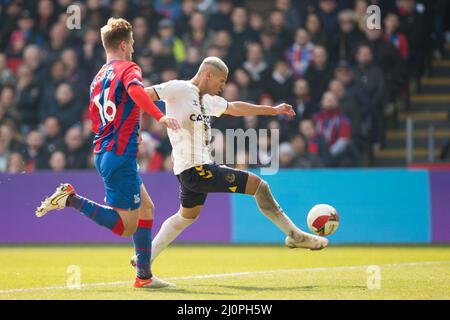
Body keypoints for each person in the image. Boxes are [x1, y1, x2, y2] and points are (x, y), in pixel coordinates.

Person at [134, 56, 328, 267]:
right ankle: (295, 235)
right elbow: (141, 95)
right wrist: (135, 128)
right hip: (195, 169)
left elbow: (235, 107)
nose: (223, 86)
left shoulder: (207, 100)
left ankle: (145, 257)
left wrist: (273, 110)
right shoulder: (178, 88)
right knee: (259, 185)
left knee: (186, 216)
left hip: (192, 170)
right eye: (221, 80)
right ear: (208, 75)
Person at [35, 18, 181, 289]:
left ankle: (144, 276)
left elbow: (96, 117)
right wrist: (159, 116)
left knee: (147, 208)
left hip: (105, 151)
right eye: (133, 44)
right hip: (120, 155)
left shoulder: (98, 77)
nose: (134, 49)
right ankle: (71, 200)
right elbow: (136, 90)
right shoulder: (129, 68)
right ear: (124, 44)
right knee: (126, 227)